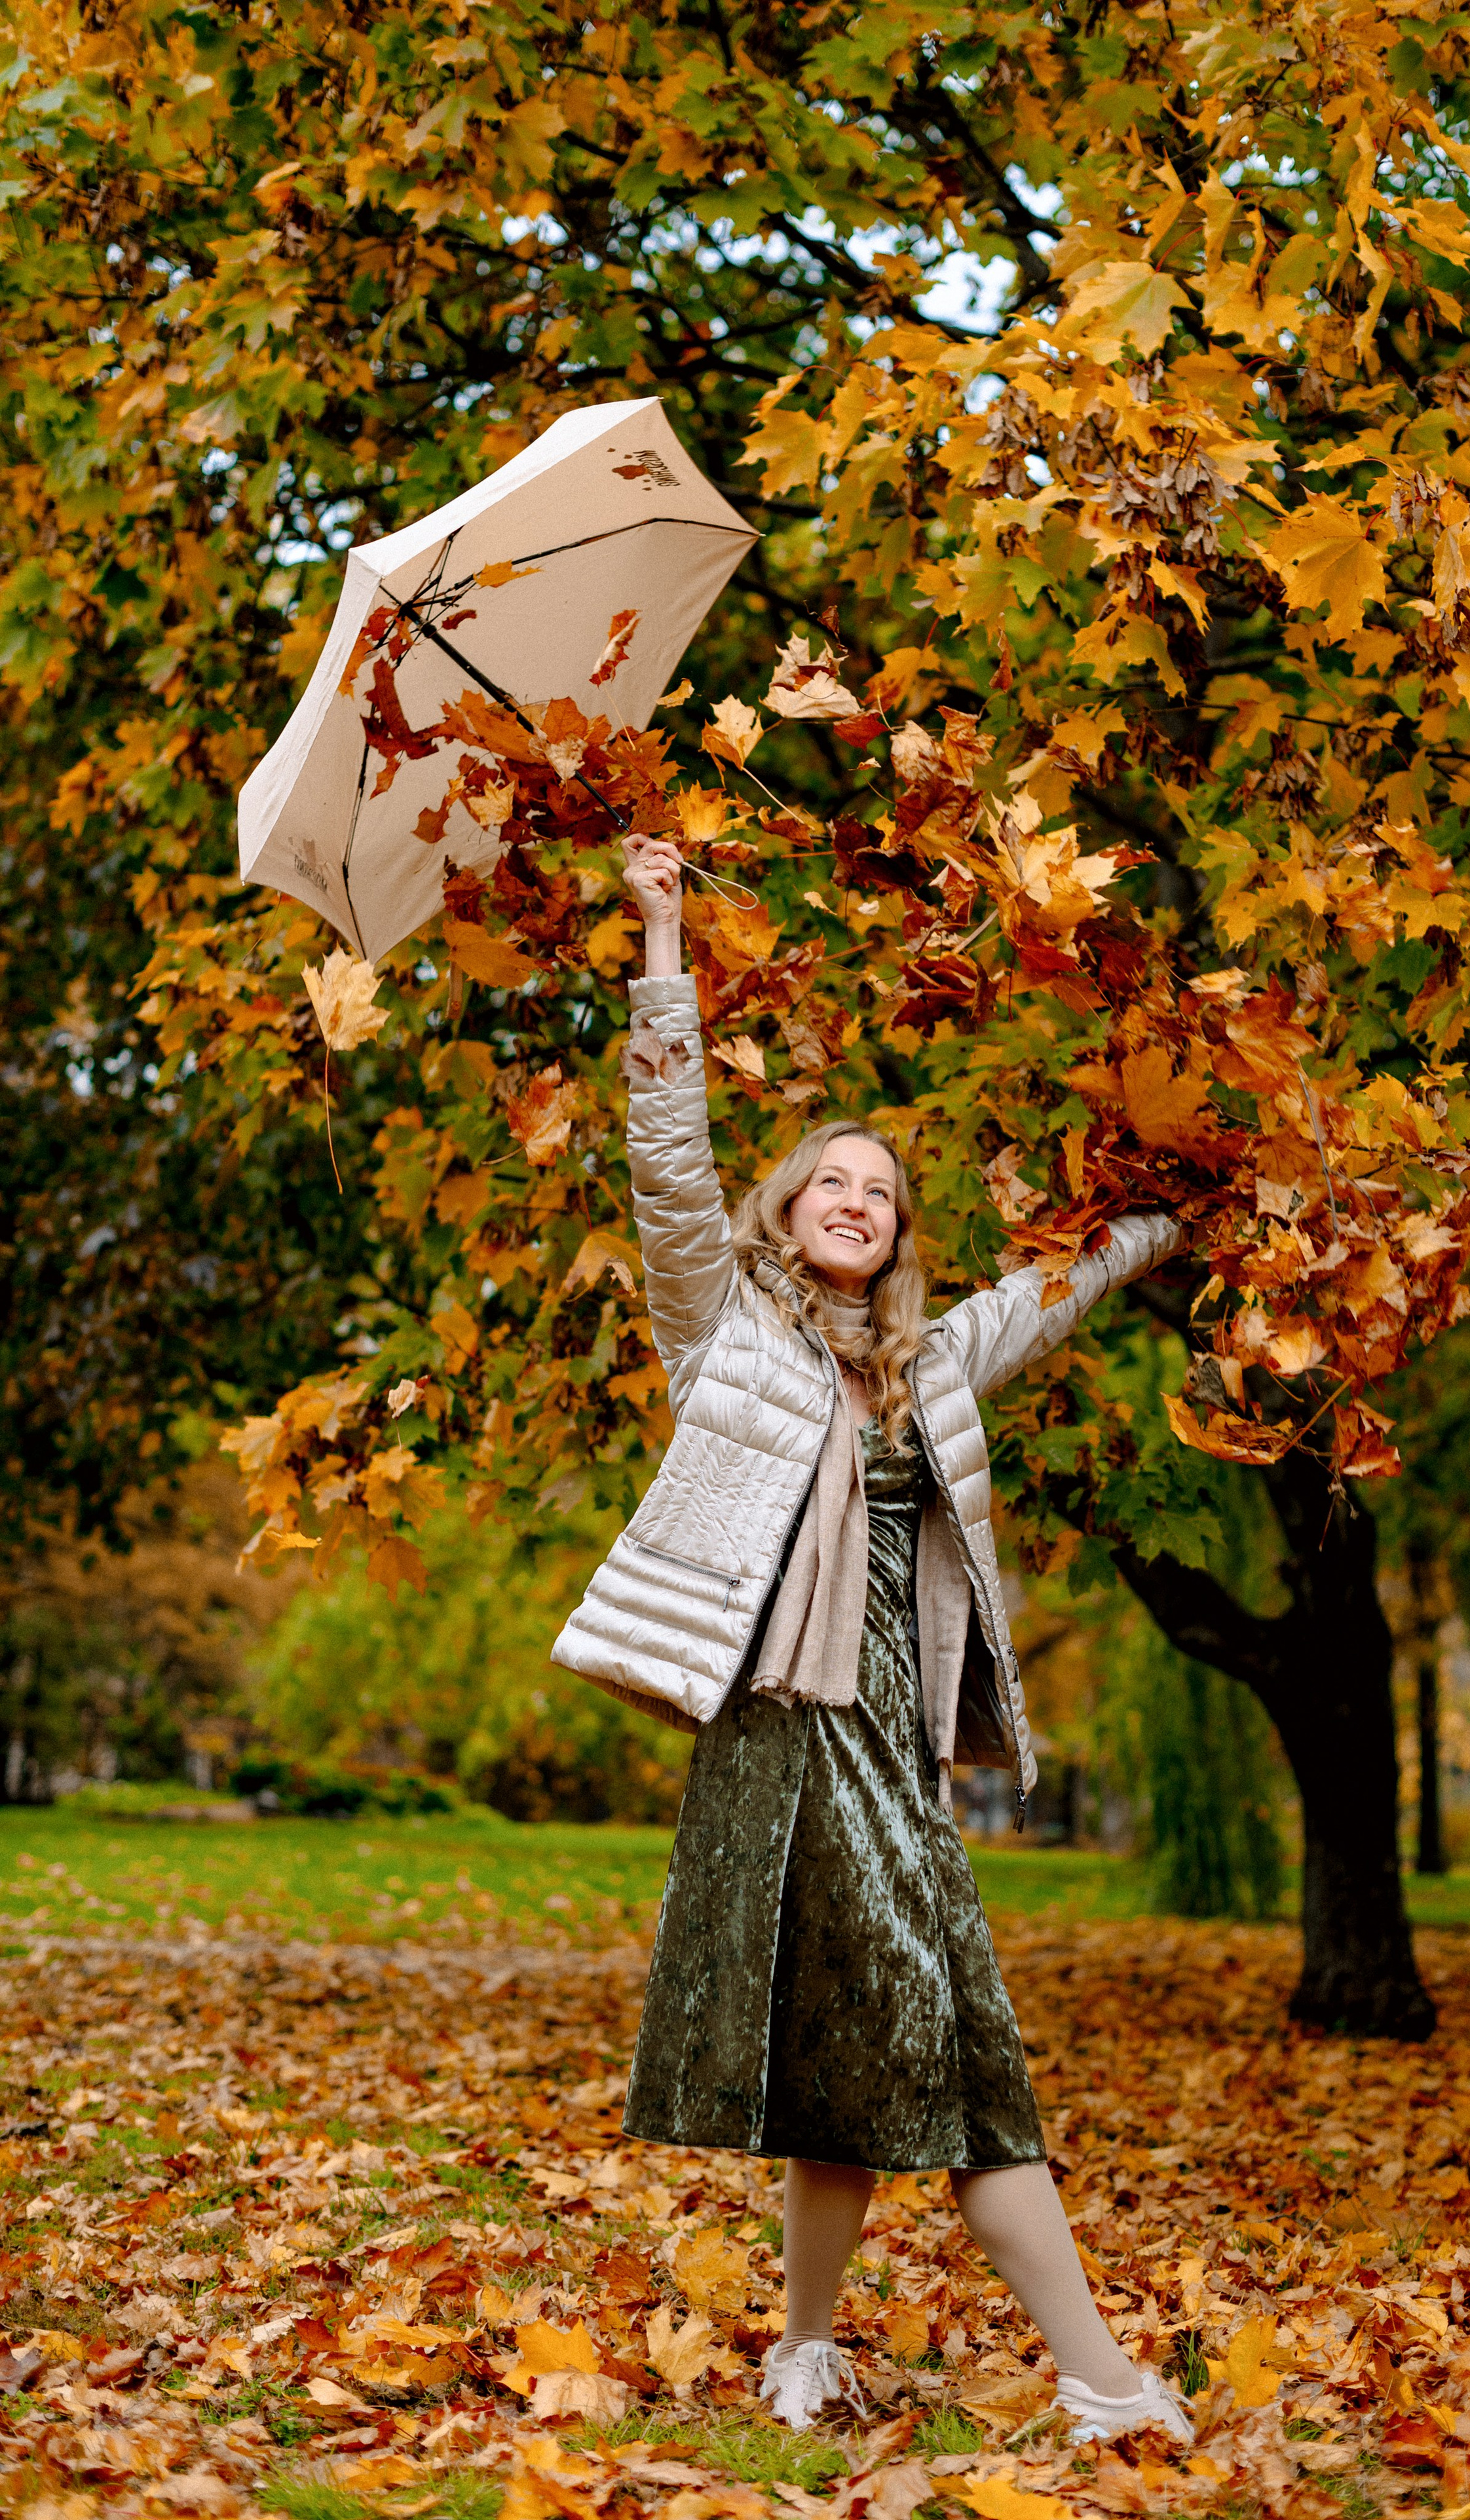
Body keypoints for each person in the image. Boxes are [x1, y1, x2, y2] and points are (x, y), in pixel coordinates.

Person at [550, 831, 1193, 2447]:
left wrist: (1187, 1208)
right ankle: (1098, 2376)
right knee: (954, 2031)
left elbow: (1066, 1281)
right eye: (828, 1181)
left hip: (892, 1744)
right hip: (785, 1731)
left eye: (879, 1192)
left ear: (901, 1234)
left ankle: (800, 2352)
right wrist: (662, 942)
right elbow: (666, 1167)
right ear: (790, 1210)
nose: (853, 1201)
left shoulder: (930, 1363)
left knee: (859, 2045)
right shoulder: (724, 1332)